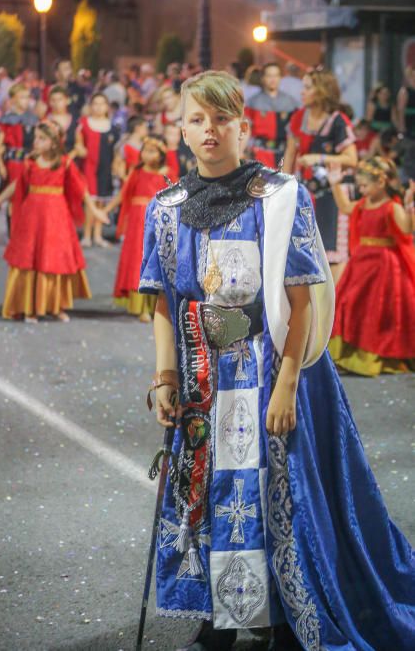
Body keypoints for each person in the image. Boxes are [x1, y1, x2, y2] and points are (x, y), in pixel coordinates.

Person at [138, 70, 415, 651]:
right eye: (196, 120)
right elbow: (164, 301)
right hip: (201, 378)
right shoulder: (165, 208)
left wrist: (286, 381)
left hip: (269, 370)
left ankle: (283, 615)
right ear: (182, 130)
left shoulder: (282, 196)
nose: (209, 130)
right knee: (210, 496)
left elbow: (300, 297)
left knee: (272, 497)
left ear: (244, 123)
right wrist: (164, 377)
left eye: (220, 118)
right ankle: (223, 614)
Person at [0, 121, 109, 323]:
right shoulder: (29, 162)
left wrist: (94, 212)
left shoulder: (64, 163)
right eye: (35, 137)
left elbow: (81, 189)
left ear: (53, 143)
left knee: (53, 258)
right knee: (31, 258)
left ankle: (55, 306)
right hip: (32, 217)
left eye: (41, 138)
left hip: (56, 217)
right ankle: (30, 307)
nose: (35, 142)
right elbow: (16, 185)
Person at [327, 158, 415, 376]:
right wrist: (334, 184)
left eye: (365, 186)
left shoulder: (391, 207)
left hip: (384, 266)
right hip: (361, 263)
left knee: (379, 309)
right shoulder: (364, 203)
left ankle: (377, 354)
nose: (362, 190)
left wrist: (409, 203)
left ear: (381, 183)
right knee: (348, 302)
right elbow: (346, 208)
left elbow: (405, 229)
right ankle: (346, 352)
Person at [283, 68, 357, 282]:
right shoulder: (298, 117)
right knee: (305, 250)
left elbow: (352, 159)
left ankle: (335, 306)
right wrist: (284, 186)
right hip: (305, 193)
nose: (302, 92)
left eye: (307, 87)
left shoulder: (338, 121)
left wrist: (319, 158)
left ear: (322, 91)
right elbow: (290, 154)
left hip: (332, 194)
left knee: (333, 252)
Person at [105, 136, 169, 322]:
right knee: (136, 259)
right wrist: (106, 211)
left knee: (153, 259)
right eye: (145, 150)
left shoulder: (166, 174)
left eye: (151, 151)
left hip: (156, 222)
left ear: (161, 155)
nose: (146, 154)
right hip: (136, 223)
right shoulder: (136, 172)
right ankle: (139, 306)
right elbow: (123, 194)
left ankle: (154, 305)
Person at [75, 92, 119, 247]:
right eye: (96, 103)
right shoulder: (84, 123)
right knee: (90, 201)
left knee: (101, 200)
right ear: (91, 106)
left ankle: (97, 235)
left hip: (106, 168)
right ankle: (86, 235)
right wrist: (80, 149)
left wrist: (116, 166)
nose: (99, 107)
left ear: (107, 107)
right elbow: (78, 143)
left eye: (102, 103)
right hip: (89, 166)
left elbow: (116, 150)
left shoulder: (113, 128)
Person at [0, 82, 38, 231]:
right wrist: (1, 164)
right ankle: (13, 229)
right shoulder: (7, 119)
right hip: (13, 162)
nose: (26, 101)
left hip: (30, 161)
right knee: (14, 197)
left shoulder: (33, 119)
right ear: (13, 99)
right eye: (22, 97)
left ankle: (27, 228)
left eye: (27, 97)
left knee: (29, 195)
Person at [245, 62, 298, 169]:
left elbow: (295, 133)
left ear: (280, 78)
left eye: (276, 75)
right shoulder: (252, 102)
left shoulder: (291, 103)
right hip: (259, 154)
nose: (273, 79)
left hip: (285, 155)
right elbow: (246, 130)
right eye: (269, 76)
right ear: (263, 78)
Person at [48, 85, 78, 155]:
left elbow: (79, 145)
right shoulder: (45, 121)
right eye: (53, 100)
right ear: (49, 102)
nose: (56, 103)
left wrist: (70, 157)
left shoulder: (76, 121)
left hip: (70, 162)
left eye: (60, 99)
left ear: (67, 100)